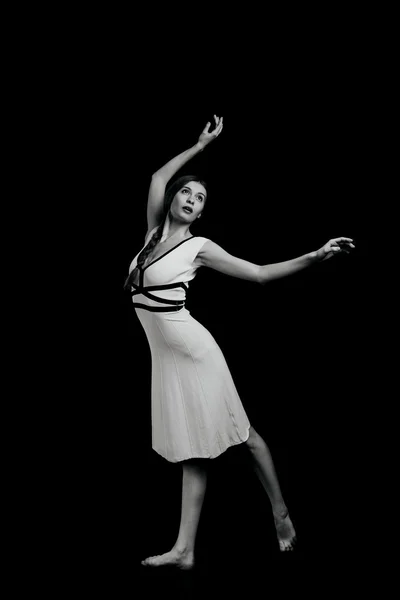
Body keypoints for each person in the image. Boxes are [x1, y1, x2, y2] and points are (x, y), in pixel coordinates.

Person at [125, 115, 354, 570]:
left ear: (202, 213)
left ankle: (281, 511)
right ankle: (185, 550)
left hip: (196, 353)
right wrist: (200, 144)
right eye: (186, 193)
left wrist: (315, 255)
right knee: (192, 451)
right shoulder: (151, 236)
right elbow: (156, 176)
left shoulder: (199, 248)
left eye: (200, 199)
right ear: (173, 200)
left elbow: (260, 275)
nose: (191, 200)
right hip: (166, 360)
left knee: (243, 437)